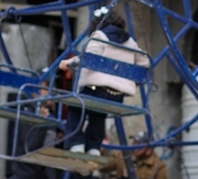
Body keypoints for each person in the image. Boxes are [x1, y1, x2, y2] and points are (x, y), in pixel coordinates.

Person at [59, 8, 150, 155]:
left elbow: (89, 59)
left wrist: (68, 63)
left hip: (96, 90)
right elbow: (145, 63)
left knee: (75, 107)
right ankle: (94, 147)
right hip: (117, 96)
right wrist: (134, 79)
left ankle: (76, 143)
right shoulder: (130, 42)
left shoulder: (99, 36)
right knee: (98, 114)